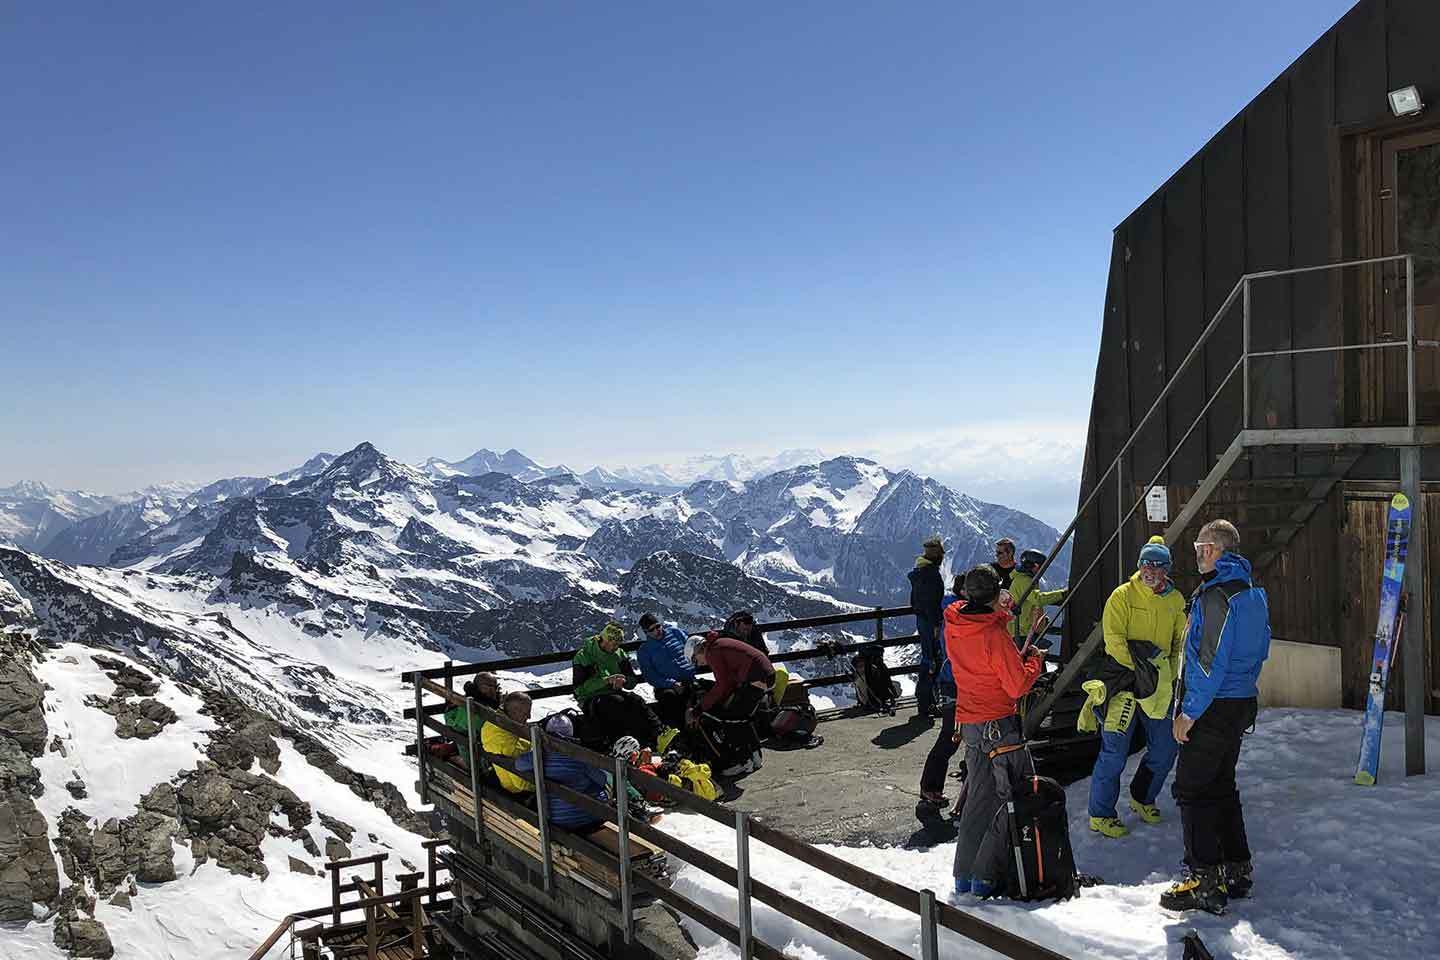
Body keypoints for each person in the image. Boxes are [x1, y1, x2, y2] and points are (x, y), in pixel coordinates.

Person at [1160, 520, 1271, 914]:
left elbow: (1208, 663)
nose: (1195, 554)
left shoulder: (1214, 597)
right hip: (1240, 703)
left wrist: (1188, 713)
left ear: (1211, 550)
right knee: (1221, 785)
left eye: (1197, 547)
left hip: (1211, 705)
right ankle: (1236, 869)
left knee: (1192, 789)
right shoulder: (1253, 593)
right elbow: (1261, 649)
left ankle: (1203, 879)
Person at [946, 564, 1044, 898]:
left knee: (978, 798)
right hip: (998, 725)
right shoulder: (992, 635)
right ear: (995, 595)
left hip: (971, 723)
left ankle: (965, 875)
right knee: (1008, 797)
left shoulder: (956, 625)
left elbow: (986, 659)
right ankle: (986, 876)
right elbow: (1016, 686)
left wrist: (999, 615)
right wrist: (1035, 662)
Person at [1083, 536, 1186, 838]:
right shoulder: (1122, 596)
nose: (1150, 570)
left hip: (1159, 684)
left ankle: (1142, 796)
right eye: (1145, 563)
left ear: (1167, 569)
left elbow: (1178, 641)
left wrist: (1170, 670)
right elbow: (1114, 641)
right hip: (1123, 683)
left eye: (1157, 564)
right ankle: (1100, 814)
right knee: (1115, 750)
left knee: (1166, 747)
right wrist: (1145, 666)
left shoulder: (1176, 600)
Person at [689, 633, 777, 777]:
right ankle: (756, 758)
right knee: (742, 718)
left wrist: (700, 708)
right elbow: (728, 681)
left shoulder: (712, 652)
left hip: (755, 677)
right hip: (765, 674)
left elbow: (722, 684)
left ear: (697, 650)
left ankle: (743, 763)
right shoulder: (718, 644)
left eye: (695, 660)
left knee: (731, 720)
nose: (698, 664)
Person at [573, 621, 666, 749]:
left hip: (614, 693)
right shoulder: (584, 656)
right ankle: (622, 745)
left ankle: (660, 735)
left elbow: (632, 680)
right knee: (615, 704)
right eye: (614, 643)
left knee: (636, 700)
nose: (616, 647)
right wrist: (606, 681)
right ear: (605, 640)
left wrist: (625, 681)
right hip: (591, 699)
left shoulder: (619, 654)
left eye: (618, 644)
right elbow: (579, 690)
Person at [515, 713, 611, 832]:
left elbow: (519, 764)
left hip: (556, 817)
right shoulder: (579, 756)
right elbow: (602, 780)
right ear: (571, 733)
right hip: (587, 818)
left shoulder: (538, 757)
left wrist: (540, 749)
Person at [918, 576, 966, 805]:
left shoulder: (950, 613)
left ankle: (931, 787)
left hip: (952, 683)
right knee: (950, 737)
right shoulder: (958, 618)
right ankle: (930, 787)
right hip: (955, 684)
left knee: (952, 737)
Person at [636, 613, 696, 730]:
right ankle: (680, 733)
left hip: (688, 679)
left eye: (658, 626)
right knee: (670, 698)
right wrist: (672, 684)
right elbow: (650, 676)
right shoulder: (645, 650)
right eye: (651, 630)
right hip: (666, 687)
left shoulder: (676, 633)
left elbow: (691, 648)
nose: (657, 631)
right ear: (646, 632)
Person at [908, 536, 946, 718]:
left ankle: (924, 701)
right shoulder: (931, 574)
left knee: (927, 660)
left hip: (922, 620)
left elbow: (916, 600)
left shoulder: (919, 572)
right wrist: (937, 624)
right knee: (931, 661)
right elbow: (932, 602)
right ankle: (927, 704)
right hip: (929, 622)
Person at [721, 610, 790, 705]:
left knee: (782, 674)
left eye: (750, 623)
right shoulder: (728, 635)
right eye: (745, 623)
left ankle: (773, 705)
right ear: (737, 623)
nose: (748, 626)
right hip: (740, 673)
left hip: (757, 668)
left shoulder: (754, 632)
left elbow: (764, 651)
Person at [481, 691, 535, 796]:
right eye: (526, 713)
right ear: (514, 712)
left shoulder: (494, 723)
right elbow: (521, 783)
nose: (529, 717)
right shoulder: (507, 745)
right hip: (517, 792)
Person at [1009, 549, 1067, 645]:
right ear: (1036, 566)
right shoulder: (1024, 580)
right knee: (1041, 649)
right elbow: (1037, 599)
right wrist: (1062, 594)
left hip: (1022, 626)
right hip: (1021, 631)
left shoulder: (1022, 578)